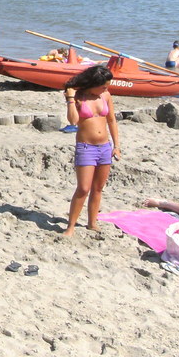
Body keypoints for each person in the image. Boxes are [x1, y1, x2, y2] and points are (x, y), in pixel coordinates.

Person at [61, 65, 121, 237]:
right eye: (103, 86)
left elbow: (111, 121)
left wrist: (116, 146)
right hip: (86, 147)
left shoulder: (106, 96)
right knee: (83, 188)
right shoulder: (79, 97)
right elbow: (73, 121)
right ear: (93, 83)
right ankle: (70, 226)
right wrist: (70, 99)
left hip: (105, 147)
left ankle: (92, 222)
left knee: (98, 187)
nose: (105, 89)